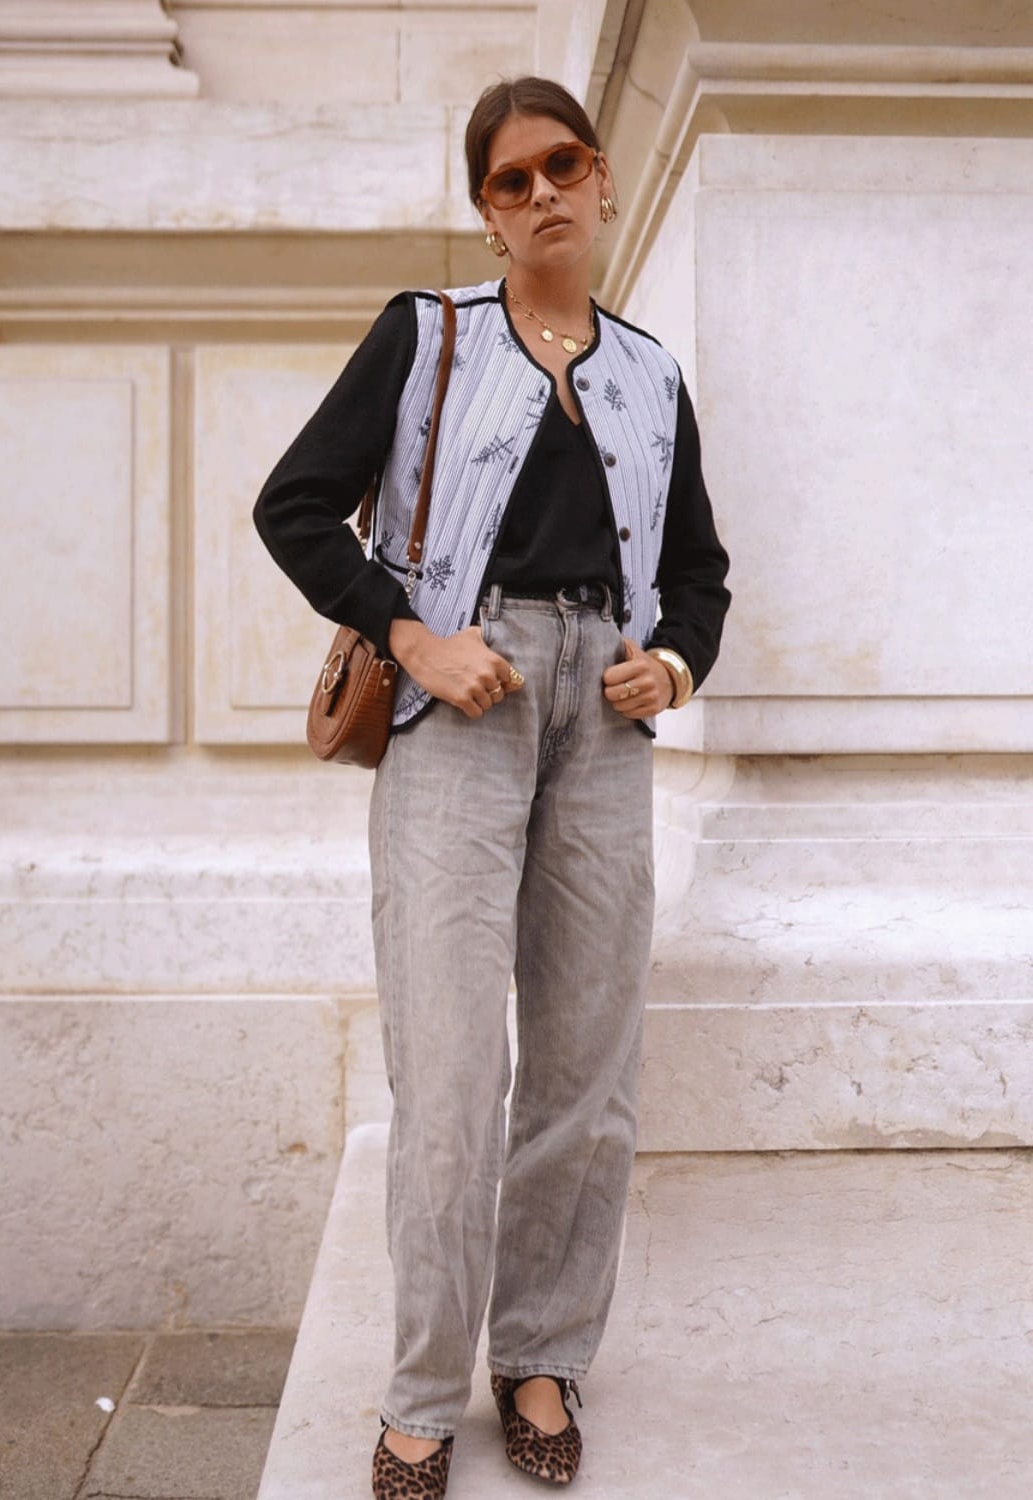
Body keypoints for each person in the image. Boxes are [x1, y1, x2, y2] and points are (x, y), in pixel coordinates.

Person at [253, 74, 731, 1500]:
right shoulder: (428, 333)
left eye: (562, 166)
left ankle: (539, 1357)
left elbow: (698, 574)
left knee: (587, 1069)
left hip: (604, 717)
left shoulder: (650, 375)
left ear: (601, 178)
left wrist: (674, 666)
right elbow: (294, 505)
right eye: (511, 181)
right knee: (455, 1073)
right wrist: (412, 636)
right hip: (465, 700)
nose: (542, 195)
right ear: (487, 210)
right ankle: (418, 1394)